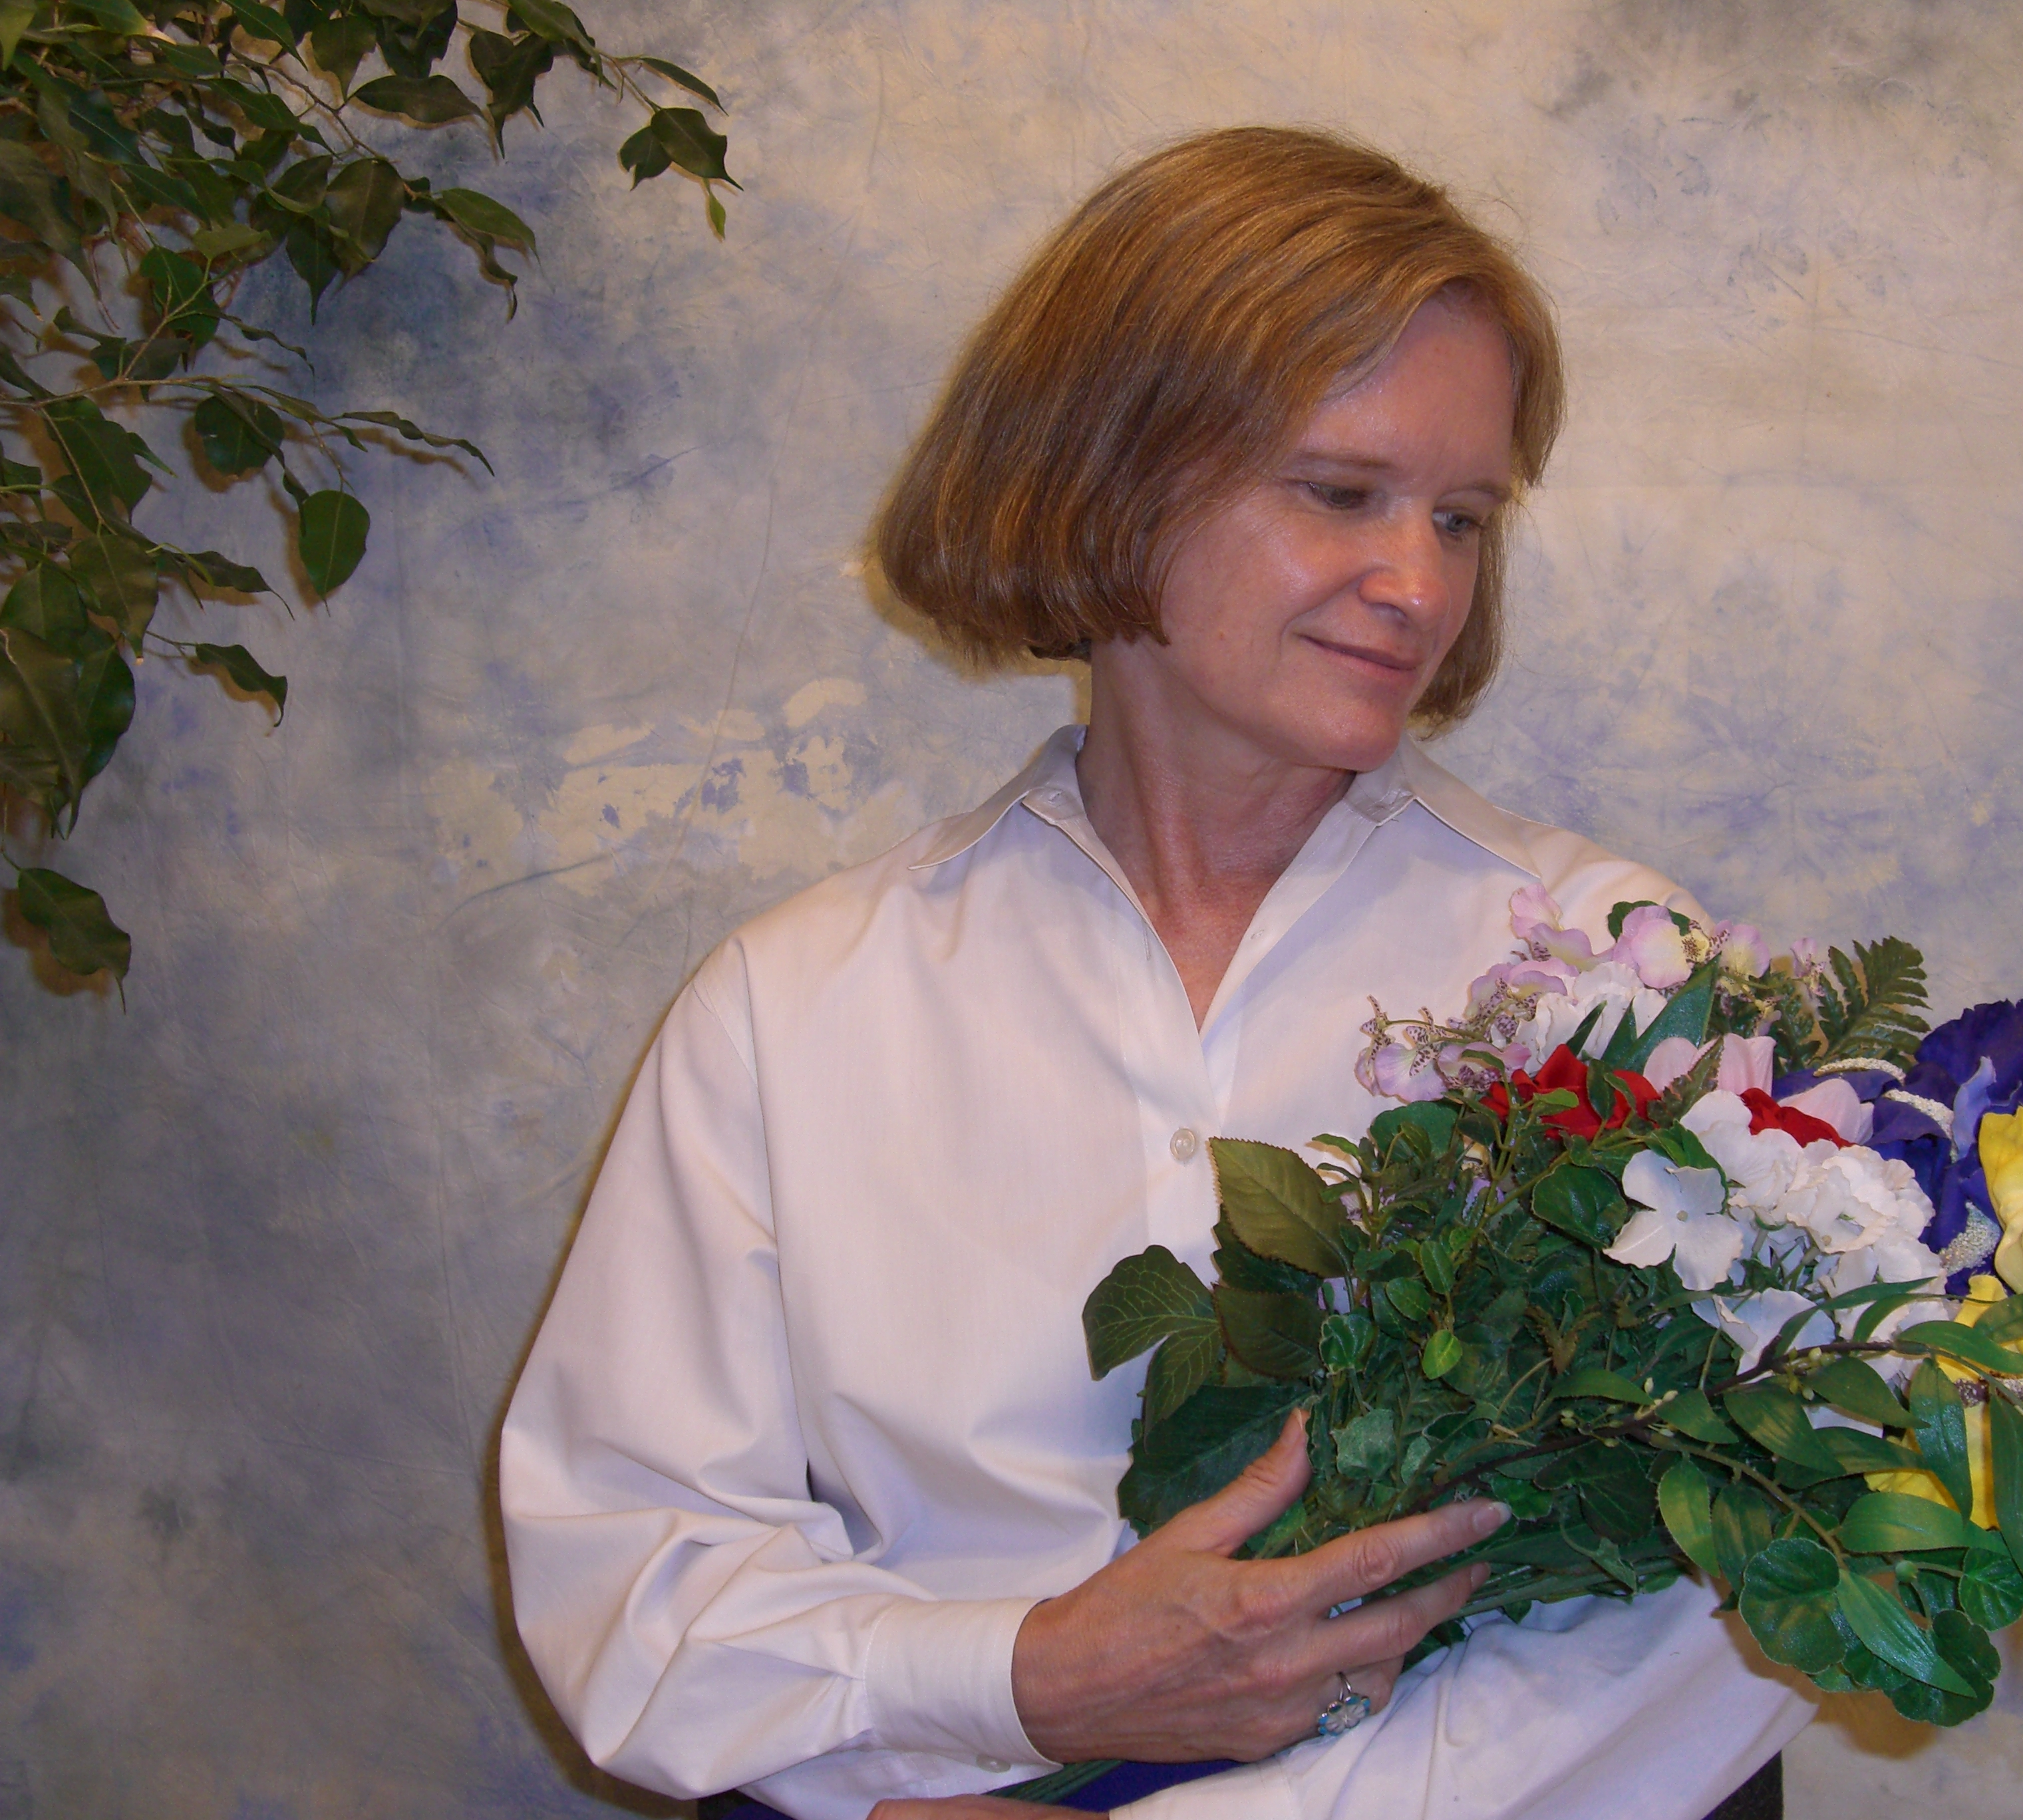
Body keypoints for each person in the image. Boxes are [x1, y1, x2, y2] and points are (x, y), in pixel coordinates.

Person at [500, 126, 1810, 1820]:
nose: (1418, 584)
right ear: (1106, 473)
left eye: (1463, 517)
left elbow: (1738, 1579)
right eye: (1339, 493)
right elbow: (634, 1585)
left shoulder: (1612, 975)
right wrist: (1020, 1677)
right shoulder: (794, 1009)